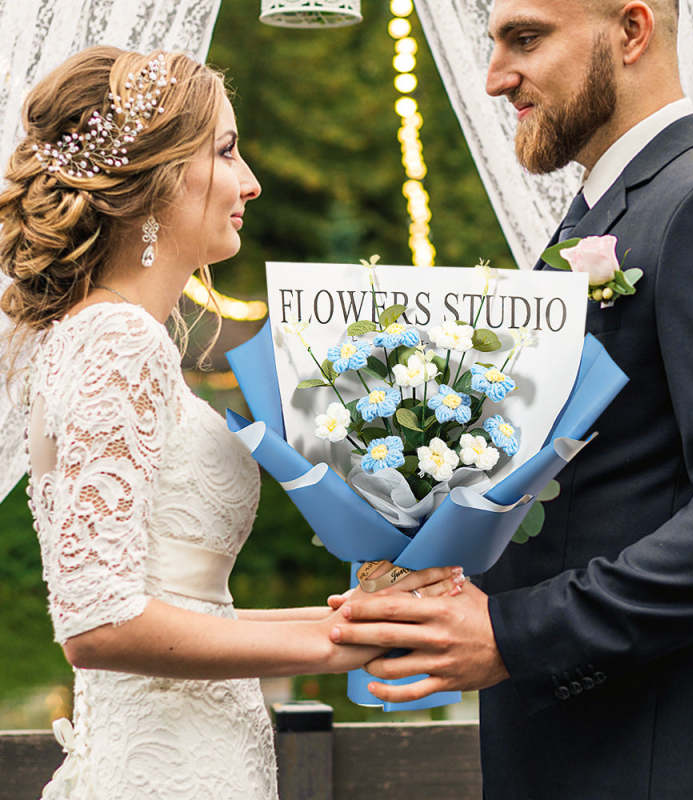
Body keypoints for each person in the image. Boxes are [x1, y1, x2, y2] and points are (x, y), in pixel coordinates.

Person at [328, 1, 693, 797]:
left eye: (525, 39)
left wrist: (514, 633)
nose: (494, 78)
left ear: (632, 30)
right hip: (580, 747)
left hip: (664, 757)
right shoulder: (596, 221)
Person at [0, 46, 465, 799]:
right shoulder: (117, 340)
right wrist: (335, 648)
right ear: (156, 178)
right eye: (225, 151)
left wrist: (362, 620)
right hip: (164, 771)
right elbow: (98, 624)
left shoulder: (110, 335)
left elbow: (187, 605)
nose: (251, 181)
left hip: (194, 752)